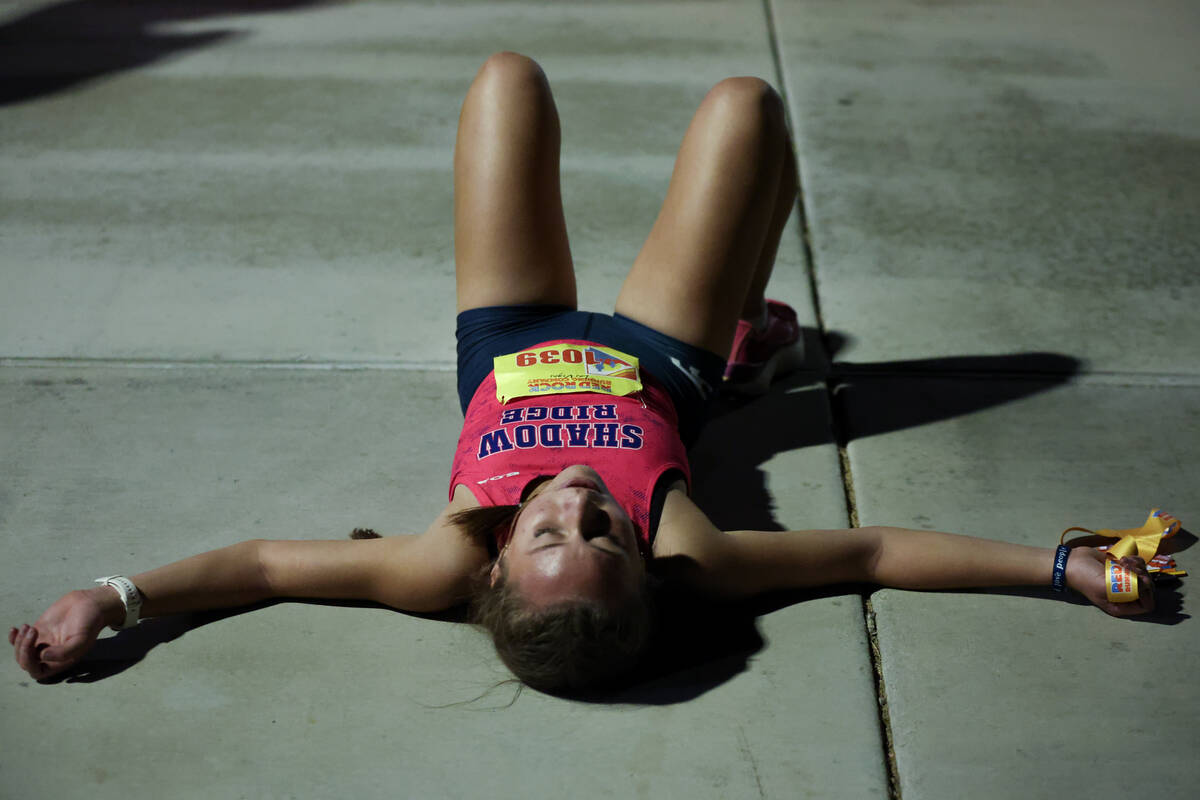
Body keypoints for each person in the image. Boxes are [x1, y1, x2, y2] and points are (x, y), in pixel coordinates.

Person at [9, 52, 1155, 693]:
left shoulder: (434, 560)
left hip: (505, 337)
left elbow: (258, 563)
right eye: (603, 539)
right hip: (661, 355)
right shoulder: (691, 551)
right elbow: (876, 550)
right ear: (642, 566)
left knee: (507, 82)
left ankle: (759, 333)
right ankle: (746, 336)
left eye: (552, 536)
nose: (577, 508)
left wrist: (114, 597)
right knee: (747, 109)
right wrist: (1064, 568)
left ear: (500, 563)